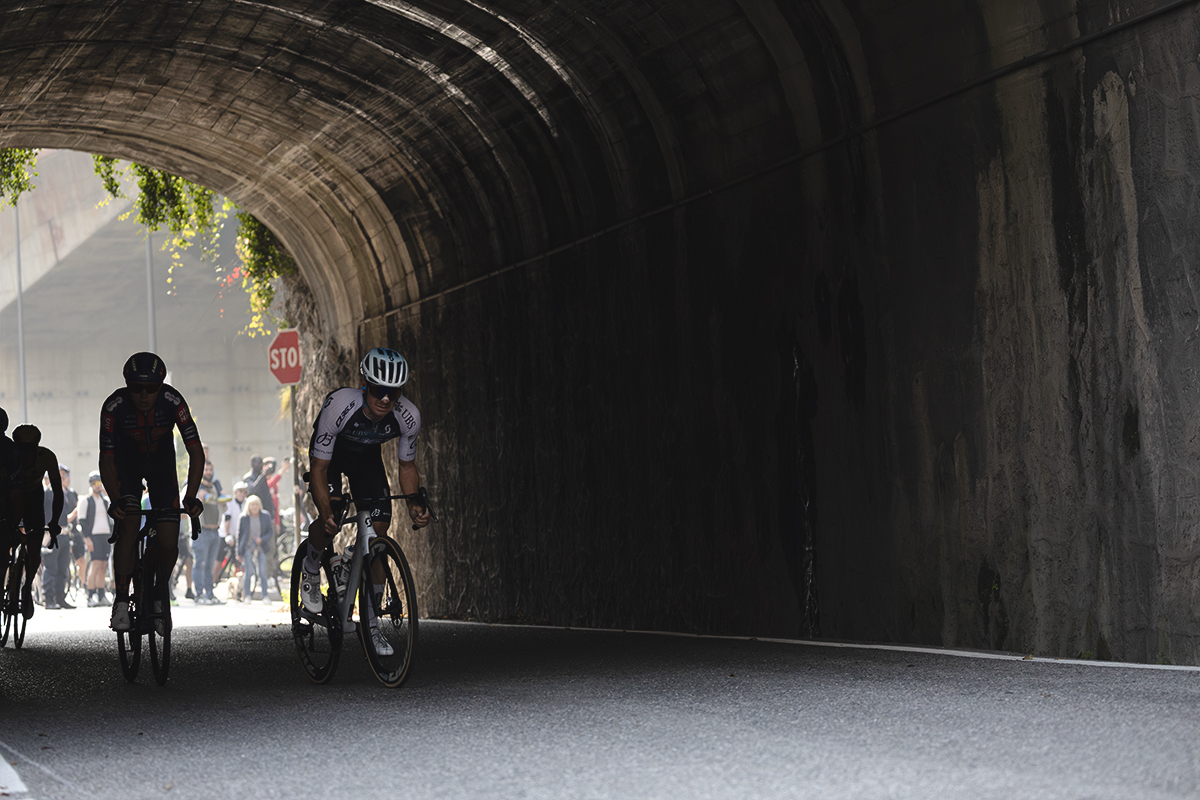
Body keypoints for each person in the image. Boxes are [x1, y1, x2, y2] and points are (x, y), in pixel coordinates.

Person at [300, 347, 432, 656]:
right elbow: (319, 468)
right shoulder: (340, 405)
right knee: (331, 516)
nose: (385, 398)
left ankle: (371, 627)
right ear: (365, 384)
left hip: (366, 461)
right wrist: (324, 508)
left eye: (393, 392)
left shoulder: (408, 416)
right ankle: (310, 566)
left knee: (379, 534)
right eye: (378, 390)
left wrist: (414, 503)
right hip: (330, 458)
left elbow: (407, 466)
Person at [99, 352, 204, 632]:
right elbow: (106, 459)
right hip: (127, 467)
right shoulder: (114, 406)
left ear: (161, 387)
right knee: (130, 520)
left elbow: (196, 451)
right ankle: (121, 601)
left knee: (170, 538)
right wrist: (115, 499)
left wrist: (191, 495)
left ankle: (158, 592)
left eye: (151, 389)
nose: (144, 395)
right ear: (126, 386)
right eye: (136, 388)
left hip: (161, 466)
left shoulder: (173, 401)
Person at [9, 425, 63, 620]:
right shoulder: (7, 454)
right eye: (22, 448)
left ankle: (26, 586)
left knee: (34, 550)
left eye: (30, 448)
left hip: (33, 498)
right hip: (9, 496)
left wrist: (55, 521)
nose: (26, 453)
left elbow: (58, 491)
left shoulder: (47, 456)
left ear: (37, 446)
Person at [41, 464, 79, 609]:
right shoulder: (47, 492)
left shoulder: (66, 493)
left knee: (63, 568)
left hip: (64, 533)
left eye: (64, 474)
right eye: (59, 473)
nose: (62, 476)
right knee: (51, 567)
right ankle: (48, 598)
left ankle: (60, 597)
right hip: (51, 534)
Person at [77, 470, 112, 606]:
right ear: (91, 484)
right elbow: (82, 521)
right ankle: (90, 594)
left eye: (100, 483)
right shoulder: (86, 500)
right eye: (95, 483)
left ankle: (101, 594)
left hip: (105, 535)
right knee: (95, 563)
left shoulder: (104, 500)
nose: (98, 486)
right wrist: (87, 538)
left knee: (103, 565)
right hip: (94, 536)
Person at [193, 460, 224, 604]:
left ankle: (209, 593)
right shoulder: (195, 487)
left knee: (210, 564)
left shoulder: (216, 487)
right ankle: (199, 594)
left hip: (215, 531)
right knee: (200, 563)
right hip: (201, 531)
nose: (208, 473)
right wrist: (200, 496)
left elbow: (224, 505)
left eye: (210, 470)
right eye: (206, 470)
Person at [237, 494, 273, 603]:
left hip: (261, 547)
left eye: (256, 504)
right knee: (248, 572)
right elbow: (239, 535)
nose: (254, 507)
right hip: (248, 548)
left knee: (262, 572)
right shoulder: (243, 518)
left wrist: (261, 539)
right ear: (248, 506)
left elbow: (270, 532)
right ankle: (247, 595)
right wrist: (238, 552)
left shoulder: (265, 516)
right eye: (252, 504)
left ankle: (265, 595)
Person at [243, 455, 276, 526]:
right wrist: (263, 475)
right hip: (254, 513)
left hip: (266, 513)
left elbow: (267, 494)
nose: (261, 465)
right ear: (252, 464)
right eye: (258, 463)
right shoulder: (248, 478)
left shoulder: (262, 477)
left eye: (262, 463)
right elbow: (252, 490)